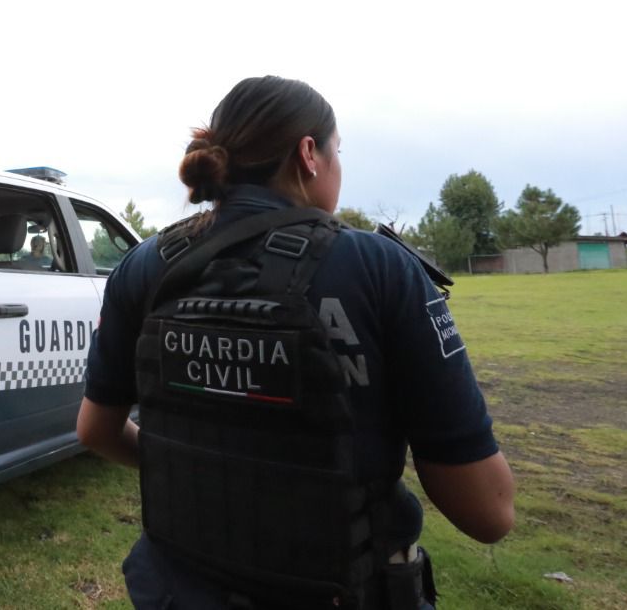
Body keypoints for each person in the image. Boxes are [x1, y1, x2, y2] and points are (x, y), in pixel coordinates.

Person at [76, 76, 515, 610]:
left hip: (176, 589)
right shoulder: (379, 268)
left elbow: (95, 430)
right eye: (337, 152)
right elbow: (488, 513)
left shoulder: (146, 264)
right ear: (310, 153)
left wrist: (199, 470)